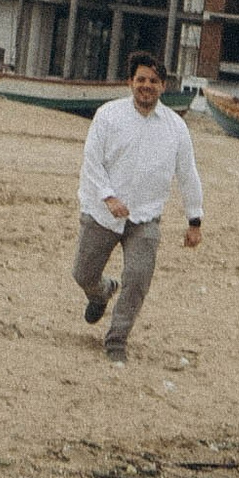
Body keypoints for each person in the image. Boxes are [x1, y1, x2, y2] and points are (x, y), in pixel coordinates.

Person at [73, 58, 203, 364]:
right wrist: (108, 197)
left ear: (163, 86)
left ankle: (116, 340)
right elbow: (91, 162)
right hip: (102, 212)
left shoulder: (175, 128)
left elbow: (187, 173)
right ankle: (101, 292)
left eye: (153, 81)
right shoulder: (108, 116)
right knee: (83, 273)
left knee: (138, 276)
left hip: (145, 218)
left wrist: (194, 220)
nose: (146, 86)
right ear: (130, 82)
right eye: (141, 79)